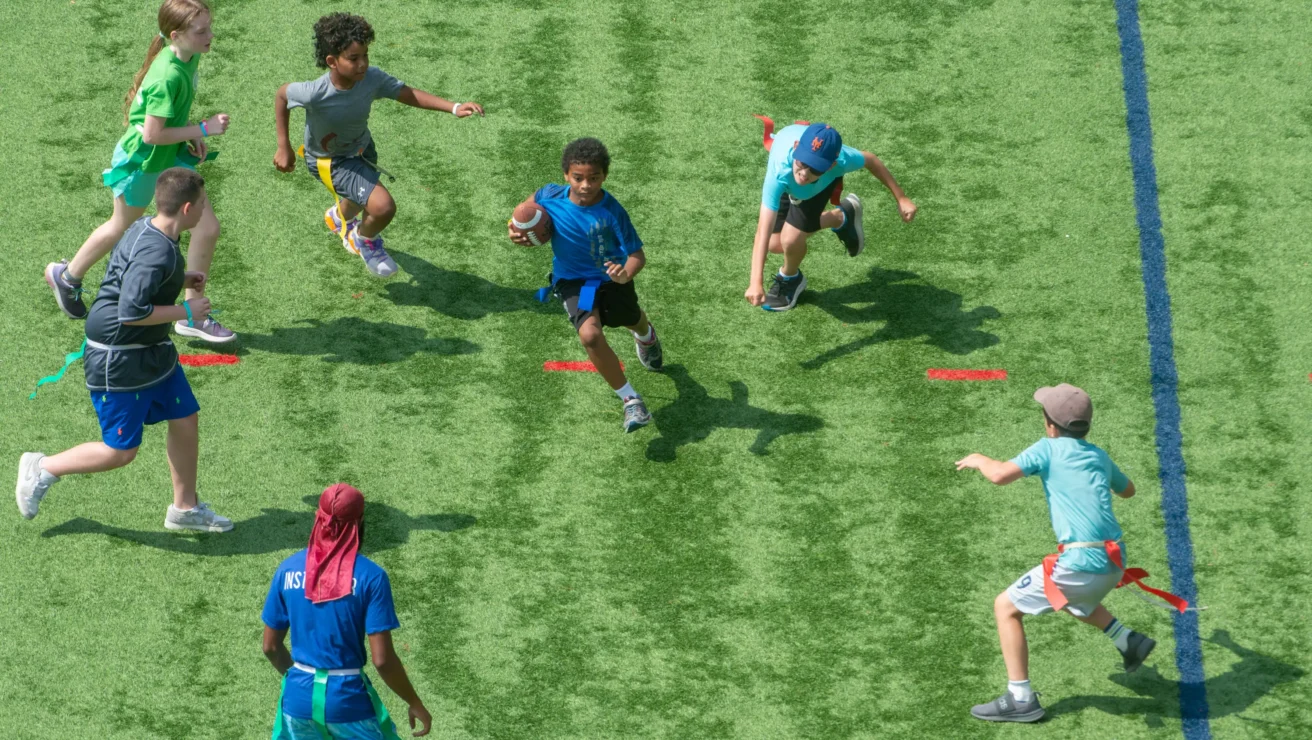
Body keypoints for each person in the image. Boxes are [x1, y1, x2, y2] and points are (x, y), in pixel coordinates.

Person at [17, 168, 233, 533]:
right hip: (119, 357)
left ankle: (185, 508)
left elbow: (132, 280)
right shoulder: (156, 251)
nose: (203, 211)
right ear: (185, 208)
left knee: (184, 418)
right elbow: (131, 313)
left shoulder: (152, 228)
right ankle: (44, 467)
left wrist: (180, 280)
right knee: (120, 451)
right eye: (201, 204)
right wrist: (186, 311)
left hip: (151, 349)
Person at [955, 384, 1160, 723]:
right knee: (1064, 597)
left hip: (1081, 563)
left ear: (1049, 424)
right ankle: (1128, 641)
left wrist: (980, 460)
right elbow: (1129, 490)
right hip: (1113, 561)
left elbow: (999, 475)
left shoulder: (1047, 449)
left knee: (1005, 607)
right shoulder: (1099, 455)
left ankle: (1021, 699)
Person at [46, 0, 235, 343]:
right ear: (176, 35)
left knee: (207, 227)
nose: (210, 35)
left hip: (168, 154)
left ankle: (192, 313)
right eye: (201, 30)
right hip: (144, 161)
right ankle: (68, 277)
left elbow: (168, 120)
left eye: (209, 27)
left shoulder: (187, 57)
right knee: (120, 226)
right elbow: (151, 134)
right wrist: (202, 130)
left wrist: (191, 132)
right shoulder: (167, 75)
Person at [273, 12, 485, 277]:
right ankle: (362, 239)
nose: (363, 64)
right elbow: (282, 95)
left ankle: (338, 217)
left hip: (363, 150)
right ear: (332, 62)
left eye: (365, 56)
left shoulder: (370, 78)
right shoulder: (314, 93)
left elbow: (406, 93)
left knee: (360, 197)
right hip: (331, 162)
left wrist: (453, 107)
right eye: (353, 58)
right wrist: (284, 146)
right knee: (383, 207)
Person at [509, 137, 663, 433]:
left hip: (611, 279)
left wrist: (625, 275)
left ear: (605, 176)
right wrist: (515, 230)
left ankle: (645, 334)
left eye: (594, 178)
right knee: (590, 335)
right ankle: (631, 400)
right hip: (576, 283)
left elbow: (636, 255)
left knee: (629, 318)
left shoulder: (612, 211)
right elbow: (524, 211)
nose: (585, 185)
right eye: (578, 178)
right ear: (566, 175)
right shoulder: (549, 194)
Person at [262, 484, 432, 739]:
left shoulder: (286, 570)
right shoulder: (372, 577)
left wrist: (300, 682)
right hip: (348, 702)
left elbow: (270, 647)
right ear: (360, 522)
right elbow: (382, 660)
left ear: (317, 518)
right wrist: (414, 702)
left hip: (297, 702)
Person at [744, 122, 917, 311]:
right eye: (803, 163)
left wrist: (901, 198)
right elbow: (763, 230)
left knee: (790, 239)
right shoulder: (779, 171)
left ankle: (790, 277)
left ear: (831, 165)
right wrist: (755, 281)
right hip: (787, 181)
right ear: (795, 148)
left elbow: (871, 160)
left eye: (816, 169)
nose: (804, 174)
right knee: (774, 244)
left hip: (816, 189)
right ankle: (841, 217)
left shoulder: (841, 161)